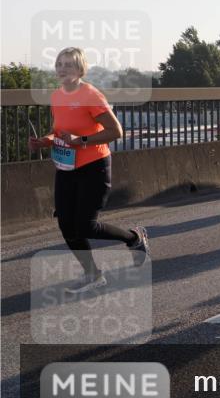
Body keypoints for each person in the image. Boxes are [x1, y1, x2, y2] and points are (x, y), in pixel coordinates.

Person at [28, 47, 150, 295]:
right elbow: (60, 131)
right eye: (59, 64)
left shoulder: (91, 95)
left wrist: (80, 139)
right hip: (67, 166)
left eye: (68, 65)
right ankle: (93, 274)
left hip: (94, 166)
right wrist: (45, 140)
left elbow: (116, 132)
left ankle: (133, 238)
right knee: (65, 224)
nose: (62, 69)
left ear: (80, 69)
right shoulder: (56, 96)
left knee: (85, 226)